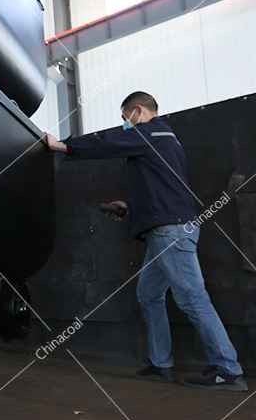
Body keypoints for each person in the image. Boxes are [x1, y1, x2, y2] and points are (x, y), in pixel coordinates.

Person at [46, 91, 247, 392]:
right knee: (150, 295)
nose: (127, 125)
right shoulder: (162, 140)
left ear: (138, 111)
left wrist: (65, 146)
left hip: (171, 232)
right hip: (163, 230)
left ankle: (228, 371)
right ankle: (161, 364)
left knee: (193, 298)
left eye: (126, 119)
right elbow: (161, 190)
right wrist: (130, 209)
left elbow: (110, 143)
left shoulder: (153, 132)